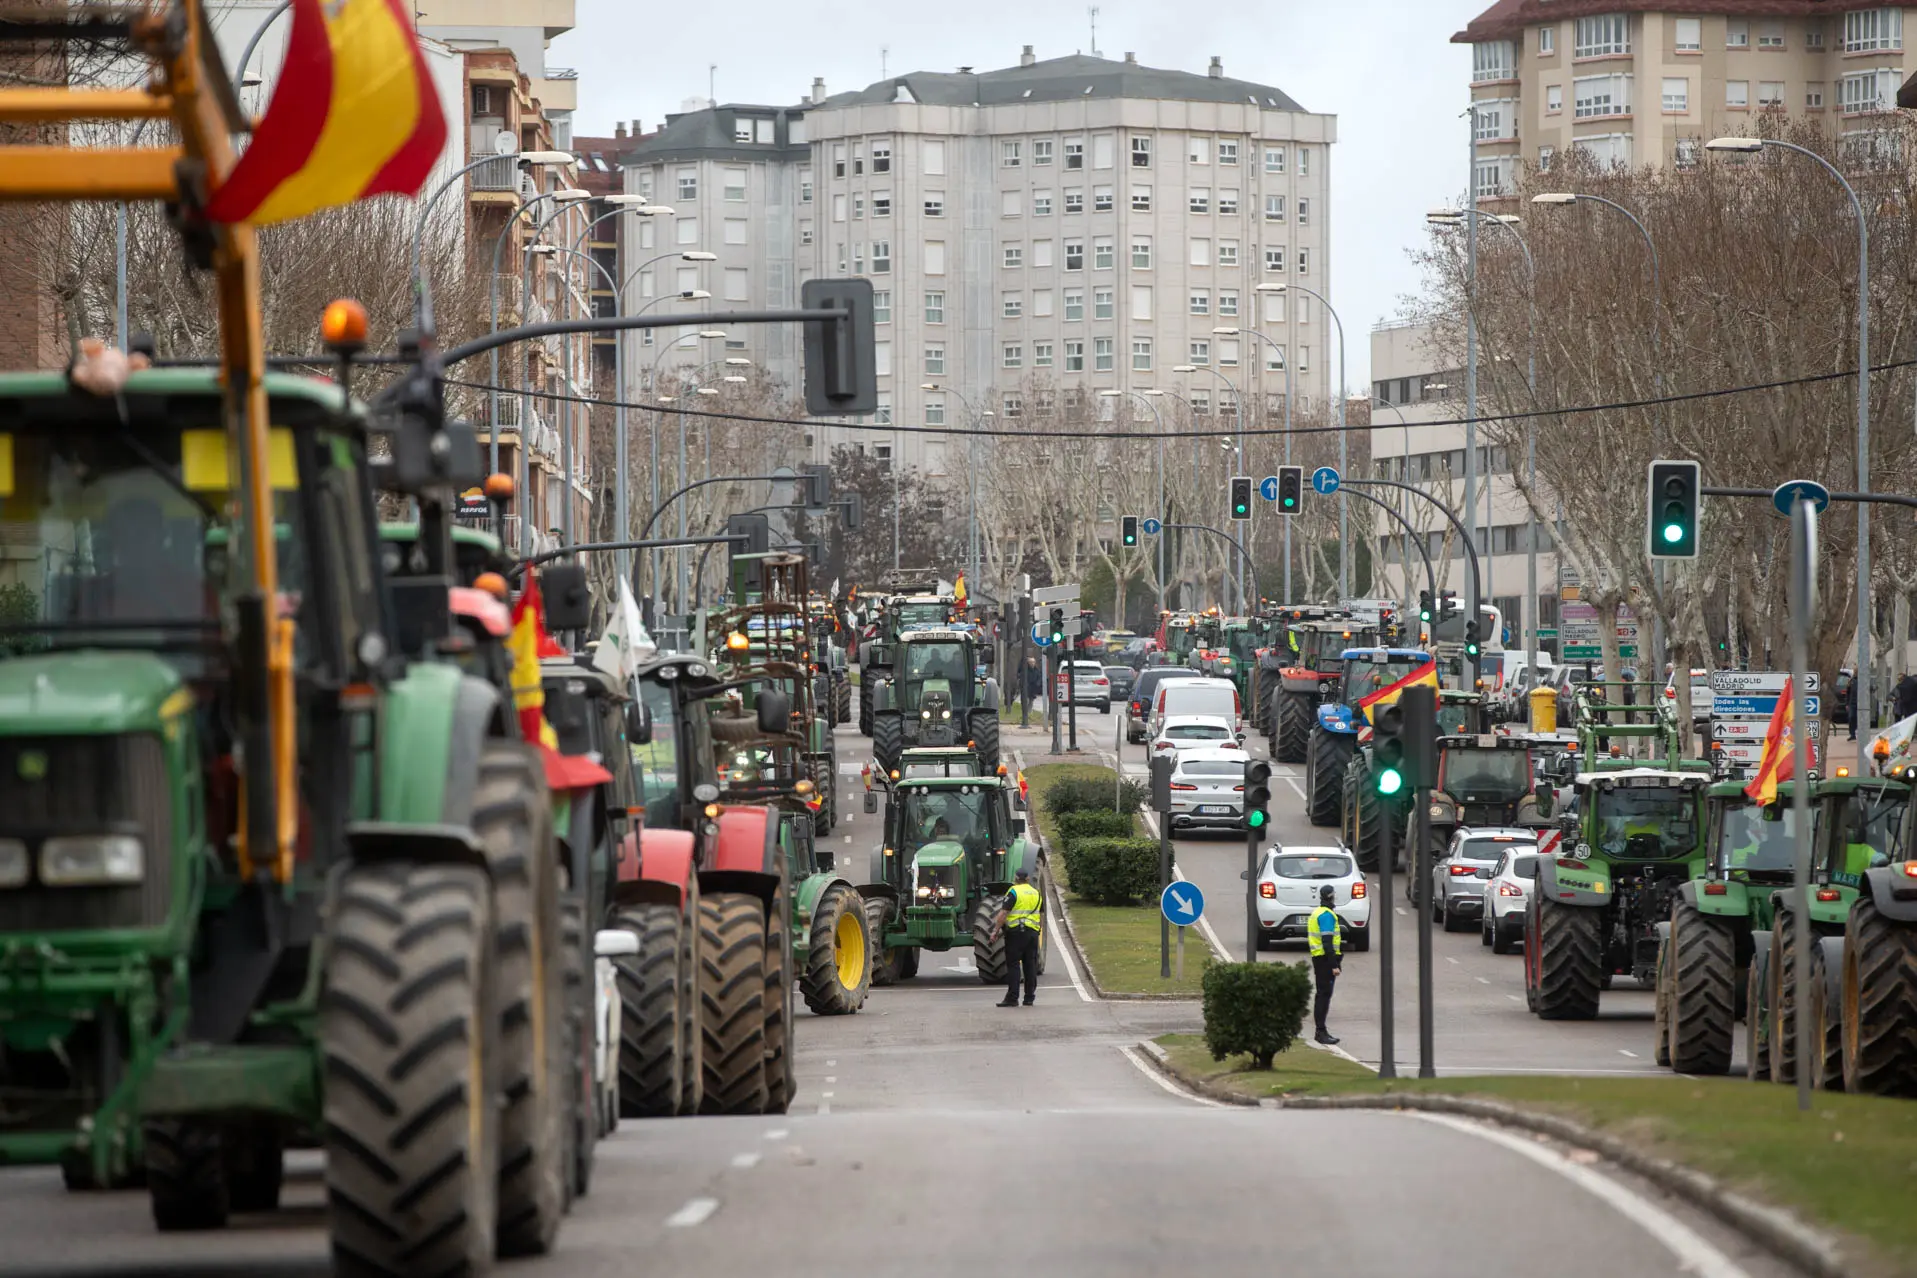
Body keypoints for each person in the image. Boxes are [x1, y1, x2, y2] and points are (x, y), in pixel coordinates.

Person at [990, 869, 1043, 1007]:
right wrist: (1038, 930)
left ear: (1015, 879)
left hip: (1016, 933)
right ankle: (1029, 997)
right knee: (1030, 964)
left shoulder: (1013, 891)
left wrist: (995, 931)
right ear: (1028, 879)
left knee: (1013, 965)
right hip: (1032, 933)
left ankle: (1012, 998)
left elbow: (1003, 913)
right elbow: (1040, 914)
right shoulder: (1036, 893)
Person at [1308, 885, 1342, 1045]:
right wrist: (1334, 965)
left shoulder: (1317, 912)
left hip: (1319, 958)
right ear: (1331, 896)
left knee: (1321, 994)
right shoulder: (1327, 915)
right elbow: (1327, 942)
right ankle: (1320, 1031)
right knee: (1324, 996)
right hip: (1325, 960)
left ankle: (1321, 1030)